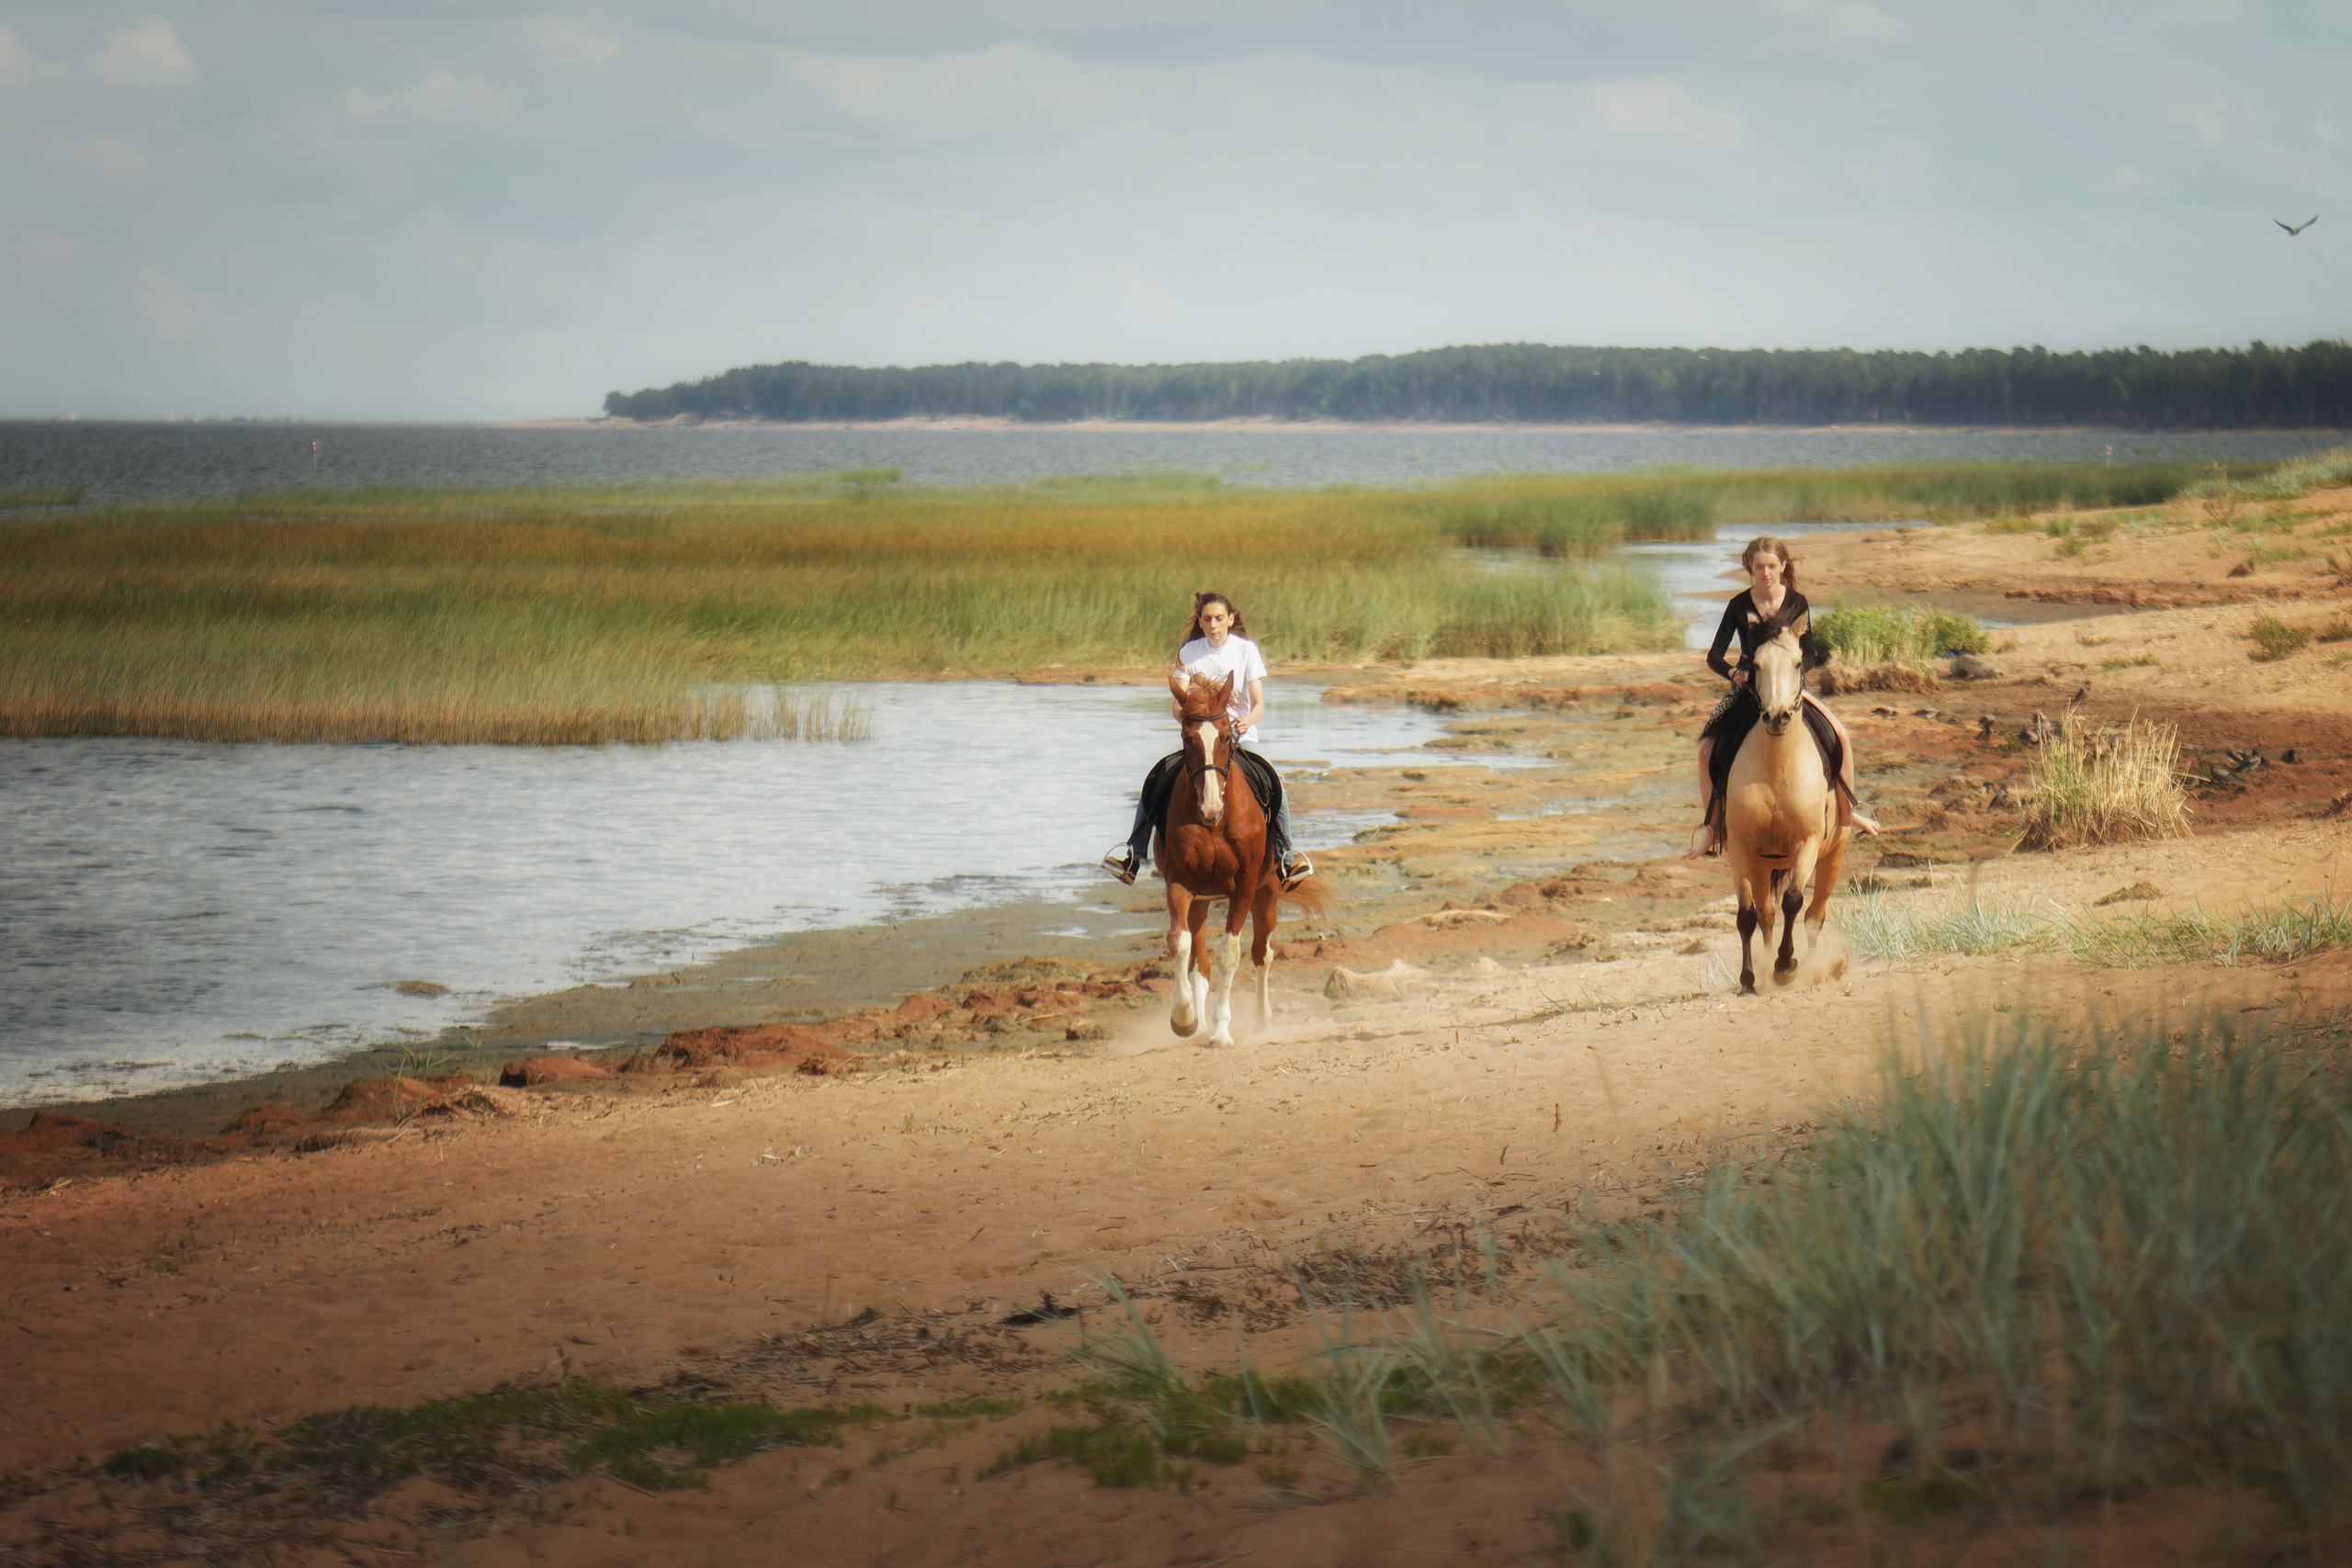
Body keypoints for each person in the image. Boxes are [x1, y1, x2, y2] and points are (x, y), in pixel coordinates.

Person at [1102, 592, 1312, 890]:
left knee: (1276, 782)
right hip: (1201, 737)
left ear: (1230, 619)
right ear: (1199, 621)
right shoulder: (1190, 652)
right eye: (1207, 619)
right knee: (1156, 779)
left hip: (1239, 736)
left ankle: (1286, 857)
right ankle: (1133, 855)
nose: (1213, 625)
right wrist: (1189, 719)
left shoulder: (1246, 651)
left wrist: (1248, 720)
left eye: (1218, 618)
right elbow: (1178, 703)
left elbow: (1258, 704)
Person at [1688, 536, 1880, 859]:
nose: (1766, 573)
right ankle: (1713, 829)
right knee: (1707, 749)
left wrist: (1794, 676)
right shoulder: (1739, 605)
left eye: (1772, 566)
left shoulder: (1798, 603)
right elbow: (1715, 656)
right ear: (1749, 567)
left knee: (1842, 737)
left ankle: (1847, 814)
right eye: (1759, 566)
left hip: (1792, 691)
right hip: (1750, 691)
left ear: (1783, 566)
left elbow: (1810, 654)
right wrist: (1735, 674)